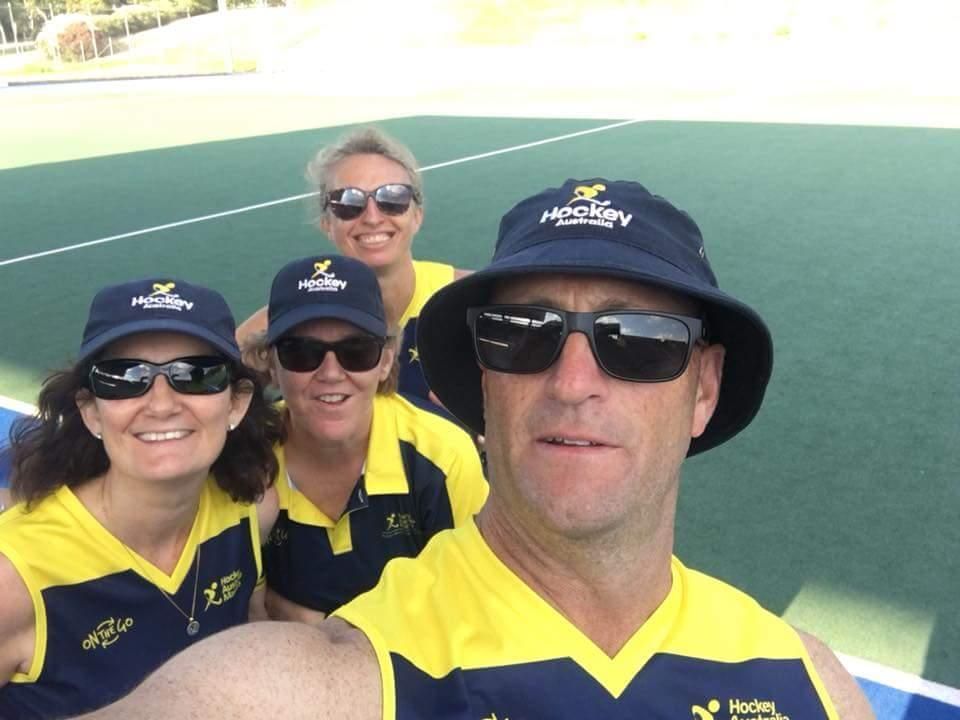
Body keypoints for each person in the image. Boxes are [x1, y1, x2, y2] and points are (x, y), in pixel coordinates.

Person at [80, 180, 874, 720]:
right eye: (520, 334)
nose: (572, 381)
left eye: (637, 340)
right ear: (485, 386)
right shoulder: (351, 672)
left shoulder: (812, 683)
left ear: (703, 388)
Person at [0, 277, 283, 719]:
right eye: (125, 378)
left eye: (195, 374)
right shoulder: (14, 581)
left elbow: (253, 638)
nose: (161, 403)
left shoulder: (251, 512)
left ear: (236, 403)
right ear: (91, 411)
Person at [252, 255, 487, 622]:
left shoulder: (442, 452)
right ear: (271, 363)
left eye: (356, 351)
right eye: (301, 352)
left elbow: (475, 598)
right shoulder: (246, 458)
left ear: (385, 360)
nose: (331, 373)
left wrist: (327, 628)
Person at [237, 126, 470, 403]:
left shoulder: (467, 301)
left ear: (417, 215)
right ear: (327, 223)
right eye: (348, 202)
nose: (372, 217)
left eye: (393, 198)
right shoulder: (279, 324)